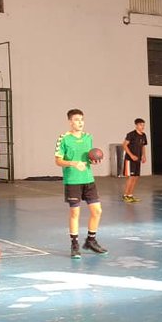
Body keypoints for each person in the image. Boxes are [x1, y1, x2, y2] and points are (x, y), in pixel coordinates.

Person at [54, 109, 107, 259]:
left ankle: (90, 241)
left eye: (82, 119)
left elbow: (89, 158)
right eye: (77, 120)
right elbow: (58, 161)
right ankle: (75, 244)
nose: (80, 122)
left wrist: (94, 160)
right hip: (73, 181)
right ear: (70, 121)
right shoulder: (63, 138)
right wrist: (73, 163)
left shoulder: (88, 137)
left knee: (97, 211)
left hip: (88, 179)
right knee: (75, 213)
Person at [122, 118, 148, 202]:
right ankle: (125, 195)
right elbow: (124, 145)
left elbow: (143, 146)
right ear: (136, 125)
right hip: (130, 159)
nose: (142, 127)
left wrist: (144, 155)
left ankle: (130, 195)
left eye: (143, 125)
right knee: (131, 177)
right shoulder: (131, 134)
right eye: (141, 125)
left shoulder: (143, 135)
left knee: (136, 177)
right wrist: (131, 155)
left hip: (138, 159)